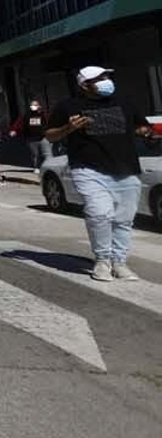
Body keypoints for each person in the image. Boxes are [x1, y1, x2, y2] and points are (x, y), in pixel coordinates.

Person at [45, 66, 159, 282]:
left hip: (126, 169)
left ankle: (120, 262)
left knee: (124, 219)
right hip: (88, 169)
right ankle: (103, 261)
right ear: (84, 85)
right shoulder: (68, 106)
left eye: (107, 77)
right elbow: (50, 136)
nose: (106, 81)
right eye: (99, 78)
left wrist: (146, 133)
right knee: (100, 214)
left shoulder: (124, 102)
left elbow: (140, 127)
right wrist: (68, 129)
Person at [10, 98, 52, 170]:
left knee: (47, 154)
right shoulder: (26, 115)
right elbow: (18, 124)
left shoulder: (43, 114)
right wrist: (14, 130)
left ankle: (50, 168)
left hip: (44, 137)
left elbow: (50, 122)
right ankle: (37, 168)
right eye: (32, 105)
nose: (33, 106)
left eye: (35, 105)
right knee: (35, 155)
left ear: (39, 106)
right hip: (31, 138)